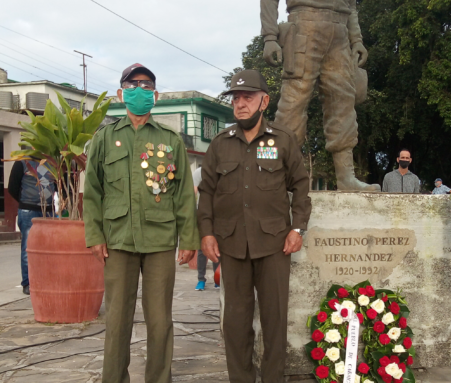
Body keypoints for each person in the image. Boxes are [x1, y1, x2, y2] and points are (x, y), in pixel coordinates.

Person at [83, 63, 199, 383]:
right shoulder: (105, 139)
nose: (139, 91)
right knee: (117, 321)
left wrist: (189, 239)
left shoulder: (169, 140)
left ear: (156, 96)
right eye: (132, 85)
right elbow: (92, 191)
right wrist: (94, 235)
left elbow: (183, 194)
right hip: (117, 240)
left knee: (160, 322)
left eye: (146, 86)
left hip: (159, 240)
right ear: (122, 94)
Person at [198, 70, 312, 383]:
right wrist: (206, 232)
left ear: (264, 101)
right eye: (236, 98)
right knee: (234, 322)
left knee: (275, 321)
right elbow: (206, 191)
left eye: (248, 97)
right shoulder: (221, 144)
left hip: (275, 244)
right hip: (231, 244)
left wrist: (297, 228)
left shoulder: (282, 140)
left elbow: (301, 187)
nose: (240, 104)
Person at [261, 0, 378, 192]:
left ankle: (346, 177)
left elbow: (352, 6)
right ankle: (278, 176)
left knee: (343, 103)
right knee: (293, 104)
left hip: (339, 35)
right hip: (303, 29)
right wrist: (270, 36)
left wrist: (356, 40)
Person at [8, 157, 56, 295]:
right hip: (28, 211)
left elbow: (59, 185)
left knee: (49, 249)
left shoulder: (52, 162)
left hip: (49, 211)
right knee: (28, 248)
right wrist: (26, 201)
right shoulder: (22, 162)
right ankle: (27, 283)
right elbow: (12, 187)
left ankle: (46, 280)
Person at [192, 166, 219, 291]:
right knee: (202, 249)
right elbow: (193, 191)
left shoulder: (221, 169)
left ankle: (217, 278)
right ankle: (201, 279)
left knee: (218, 248)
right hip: (203, 214)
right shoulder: (199, 172)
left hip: (220, 214)